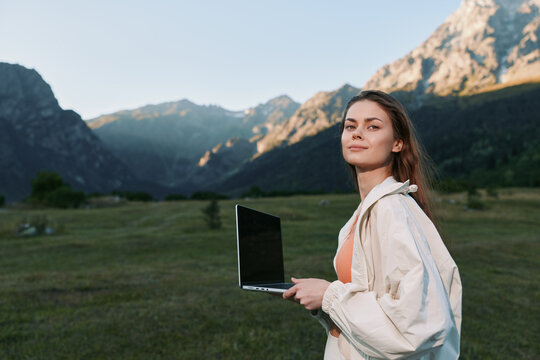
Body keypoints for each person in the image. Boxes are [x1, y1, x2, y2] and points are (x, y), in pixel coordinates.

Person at [282, 90, 462, 359]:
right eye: (350, 126)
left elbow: (415, 326)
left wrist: (330, 295)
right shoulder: (364, 213)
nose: (356, 133)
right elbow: (370, 310)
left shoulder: (390, 210)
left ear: (397, 143)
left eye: (373, 126)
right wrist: (320, 301)